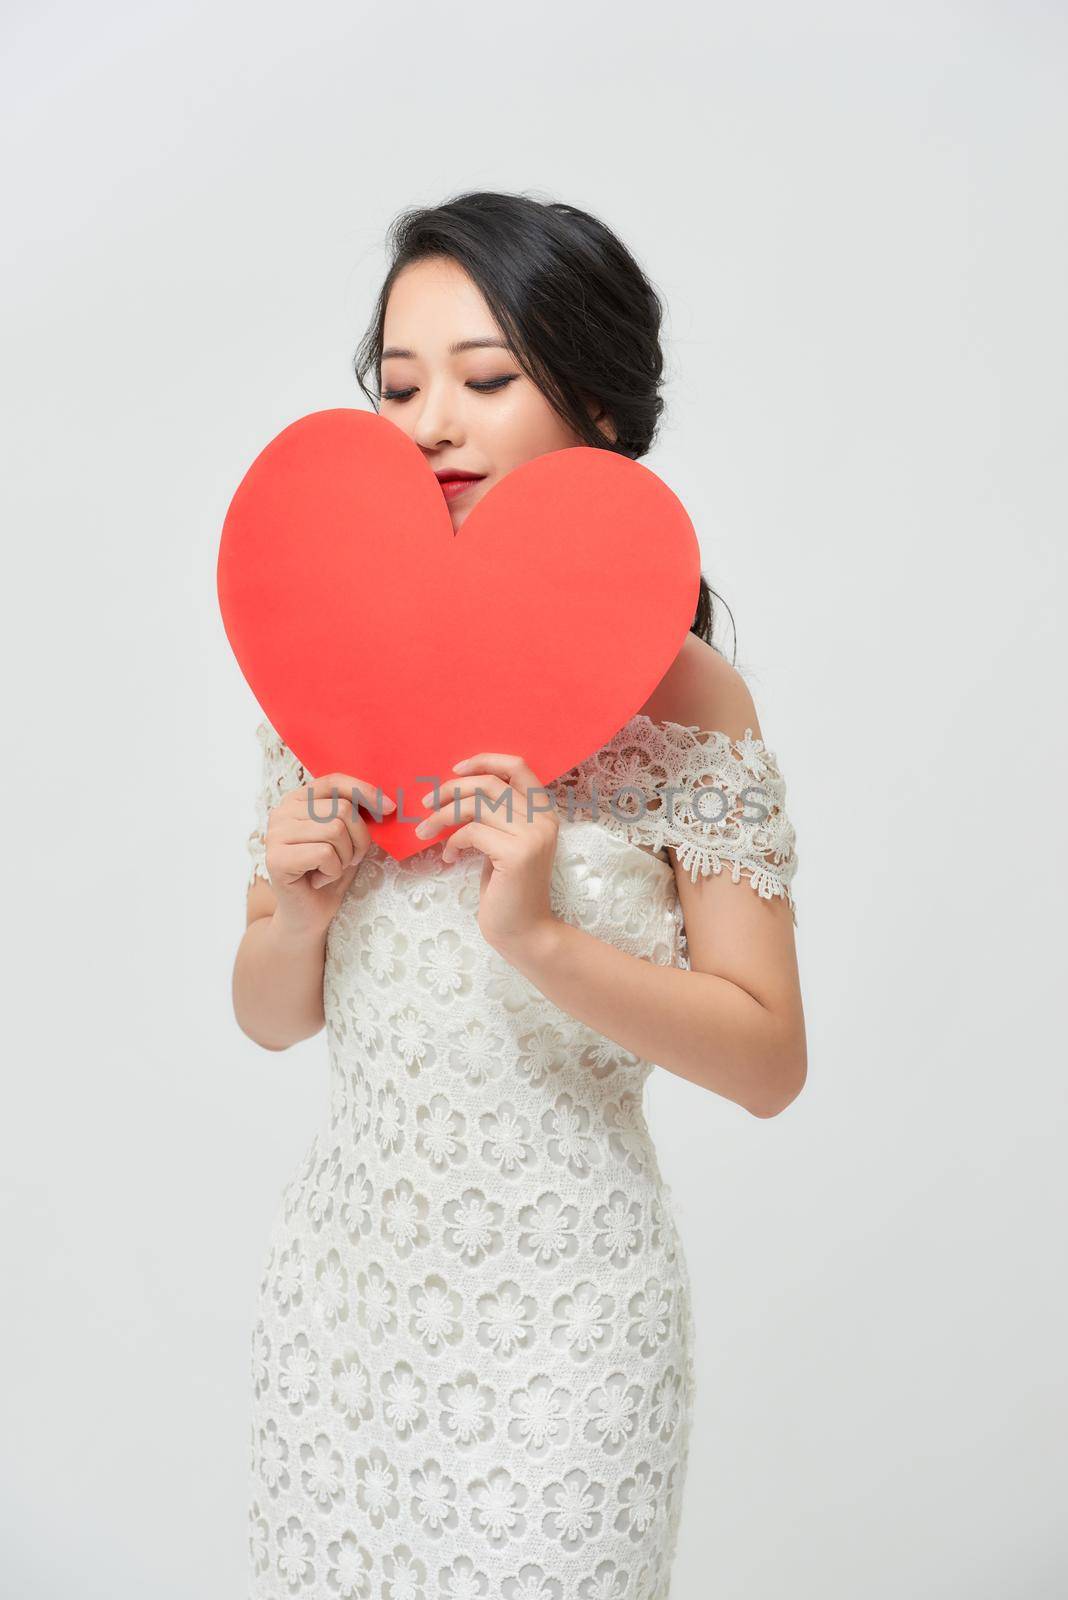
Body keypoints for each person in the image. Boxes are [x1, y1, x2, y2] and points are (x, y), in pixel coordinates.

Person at [233, 190, 806, 1600]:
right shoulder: (328, 664)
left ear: (601, 413)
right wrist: (293, 912)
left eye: (487, 381)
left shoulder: (691, 701)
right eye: (401, 385)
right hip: (344, 1311)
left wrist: (539, 934)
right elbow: (269, 1017)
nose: (431, 422)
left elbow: (769, 1059)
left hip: (567, 1331)